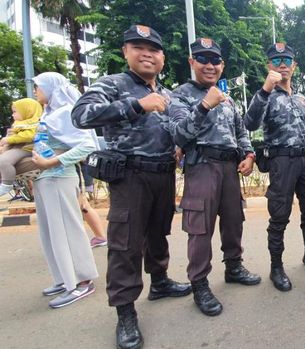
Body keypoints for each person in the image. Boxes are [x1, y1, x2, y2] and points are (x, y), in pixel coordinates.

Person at [71, 25, 191, 349]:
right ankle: (125, 313)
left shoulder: (168, 95)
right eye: (138, 47)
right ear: (126, 52)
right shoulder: (113, 84)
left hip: (163, 175)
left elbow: (178, 129)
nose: (146, 54)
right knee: (125, 245)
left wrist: (179, 144)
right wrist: (136, 106)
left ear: (163, 57)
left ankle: (160, 282)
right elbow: (80, 115)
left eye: (153, 49)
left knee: (157, 233)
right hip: (130, 177)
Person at [169, 38, 261, 317]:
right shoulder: (181, 95)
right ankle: (199, 283)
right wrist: (203, 106)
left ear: (222, 65)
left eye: (215, 60)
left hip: (230, 168)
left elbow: (241, 130)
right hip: (202, 167)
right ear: (191, 62)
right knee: (200, 229)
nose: (210, 65)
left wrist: (248, 155)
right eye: (203, 59)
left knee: (234, 221)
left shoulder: (228, 98)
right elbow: (178, 134)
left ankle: (233, 267)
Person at [244, 42, 305, 292]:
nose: (282, 64)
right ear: (269, 65)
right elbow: (249, 123)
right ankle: (276, 267)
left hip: (303, 162)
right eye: (277, 60)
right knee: (279, 215)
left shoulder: (301, 98)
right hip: (280, 161)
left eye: (287, 60)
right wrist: (265, 90)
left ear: (294, 66)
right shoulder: (265, 96)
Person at [31, 72, 99, 308]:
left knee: (68, 232)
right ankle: (63, 277)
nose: (35, 91)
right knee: (50, 234)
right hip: (44, 181)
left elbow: (88, 145)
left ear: (51, 88)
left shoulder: (64, 113)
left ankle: (82, 280)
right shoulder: (48, 113)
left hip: (59, 179)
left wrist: (53, 163)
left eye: (38, 87)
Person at [0, 98, 42, 196]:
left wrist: (8, 139)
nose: (12, 114)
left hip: (25, 148)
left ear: (27, 111)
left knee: (3, 161)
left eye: (15, 112)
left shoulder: (34, 124)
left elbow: (29, 136)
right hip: (20, 149)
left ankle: (7, 184)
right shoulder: (20, 124)